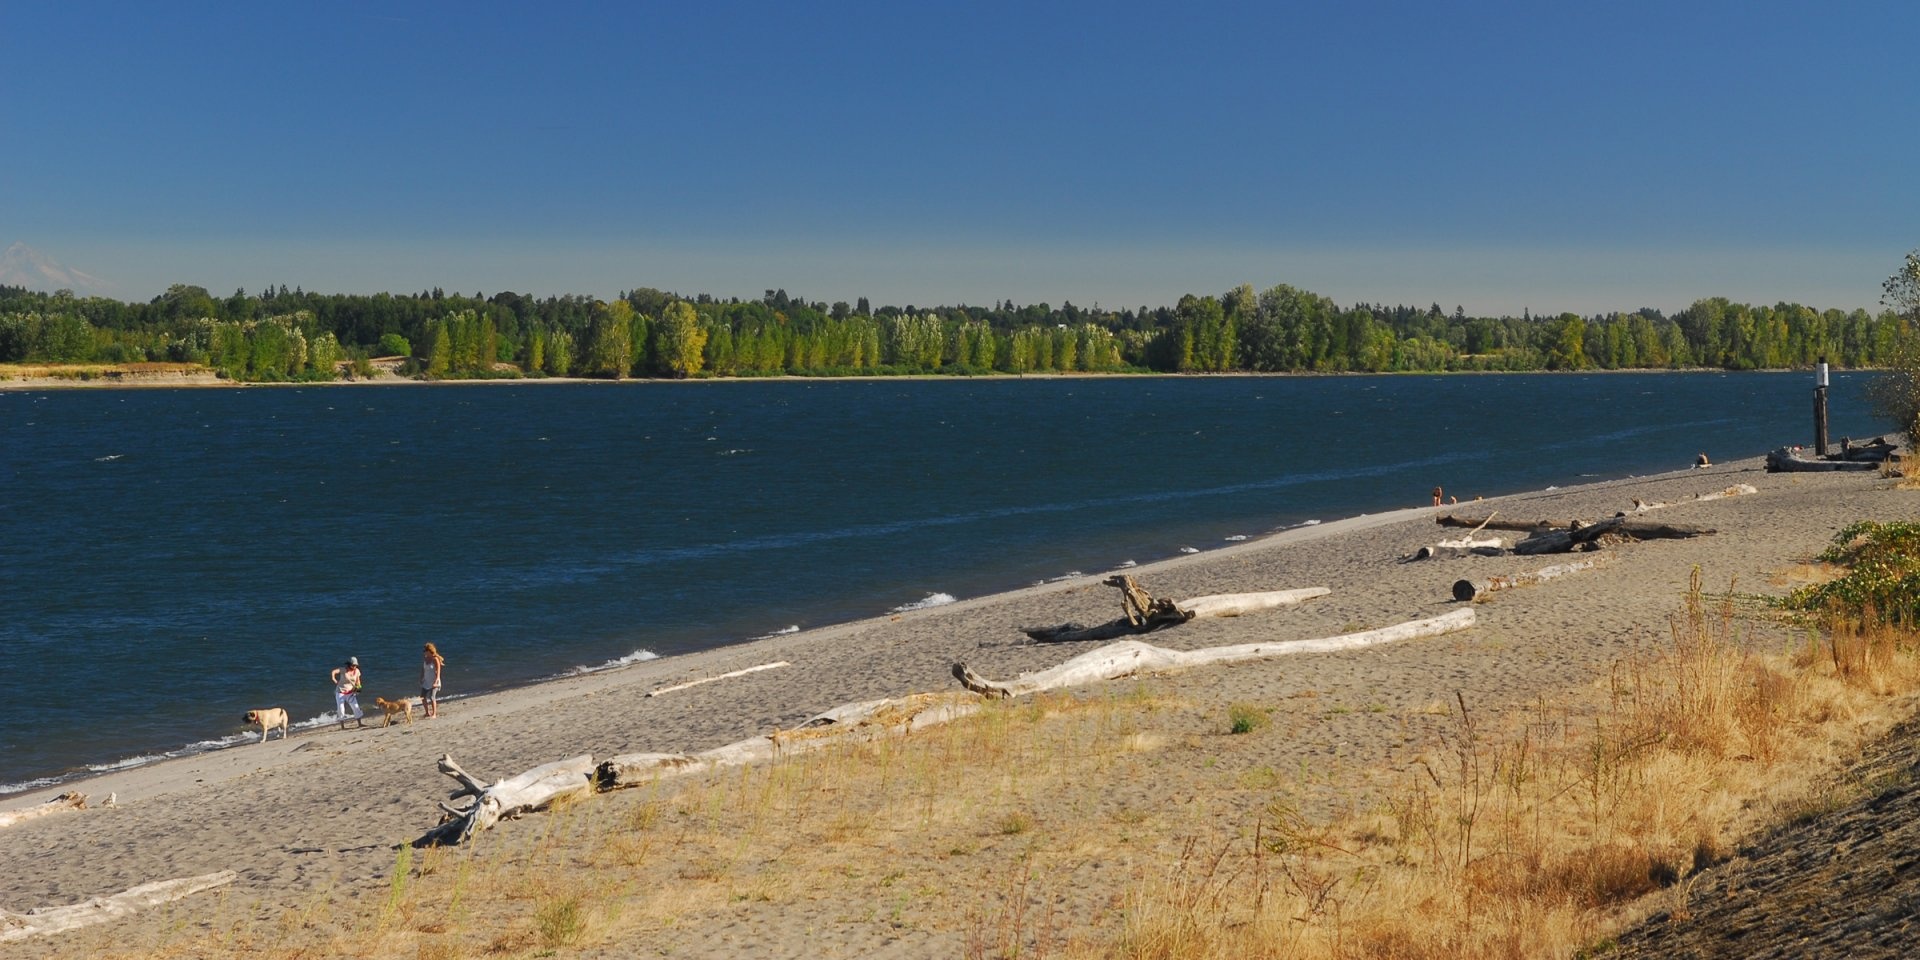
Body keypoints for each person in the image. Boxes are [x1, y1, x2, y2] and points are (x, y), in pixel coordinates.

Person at [331, 656, 366, 729]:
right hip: (340, 692)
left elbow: (358, 680)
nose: (355, 666)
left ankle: (359, 723)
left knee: (356, 707)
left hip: (351, 692)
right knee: (341, 709)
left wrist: (359, 687)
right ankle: (342, 726)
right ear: (349, 664)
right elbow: (334, 671)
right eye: (353, 665)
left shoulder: (357, 671)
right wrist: (333, 678)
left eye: (356, 665)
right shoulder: (343, 670)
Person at [422, 643, 445, 719]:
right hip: (426, 681)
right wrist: (421, 677)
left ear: (429, 651)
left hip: (434, 681)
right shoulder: (425, 658)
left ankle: (434, 713)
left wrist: (436, 681)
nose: (424, 652)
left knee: (432, 697)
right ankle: (427, 712)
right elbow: (423, 669)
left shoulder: (435, 659)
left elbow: (438, 671)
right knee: (422, 697)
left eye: (425, 650)